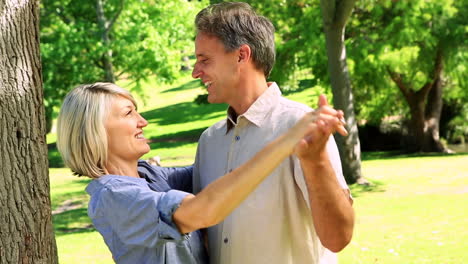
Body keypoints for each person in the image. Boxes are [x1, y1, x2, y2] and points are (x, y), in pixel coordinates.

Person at [56, 82, 347, 264]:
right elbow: (204, 210)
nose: (143, 121)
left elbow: (229, 167)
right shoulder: (114, 197)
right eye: (128, 113)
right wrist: (286, 139)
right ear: (94, 130)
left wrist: (291, 133)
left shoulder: (150, 177)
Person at [191, 2, 355, 264]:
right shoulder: (209, 141)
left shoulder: (302, 126)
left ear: (241, 56)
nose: (195, 72)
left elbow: (338, 238)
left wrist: (315, 161)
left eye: (204, 60)